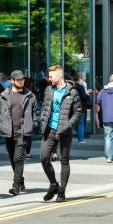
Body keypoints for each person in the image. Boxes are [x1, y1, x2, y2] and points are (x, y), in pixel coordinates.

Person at [39, 65, 83, 202]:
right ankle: (53, 184)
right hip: (49, 130)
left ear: (59, 76)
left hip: (64, 131)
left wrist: (68, 125)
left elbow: (78, 112)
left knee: (64, 161)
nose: (49, 78)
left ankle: (62, 192)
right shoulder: (48, 90)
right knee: (44, 158)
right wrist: (42, 122)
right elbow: (45, 107)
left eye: (51, 76)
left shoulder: (72, 92)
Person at [0, 70, 39, 195]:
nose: (21, 81)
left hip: (23, 131)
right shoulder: (4, 95)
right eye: (18, 79)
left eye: (22, 79)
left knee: (18, 158)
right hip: (8, 131)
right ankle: (20, 180)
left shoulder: (30, 96)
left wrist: (33, 124)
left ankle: (16, 186)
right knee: (12, 158)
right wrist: (1, 124)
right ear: (12, 81)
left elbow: (36, 112)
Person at [76, 72, 93, 143]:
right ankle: (81, 138)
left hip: (76, 105)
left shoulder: (75, 84)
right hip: (82, 105)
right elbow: (84, 94)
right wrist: (88, 92)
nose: (85, 78)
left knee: (79, 122)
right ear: (82, 77)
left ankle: (80, 137)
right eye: (85, 76)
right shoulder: (83, 84)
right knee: (81, 122)